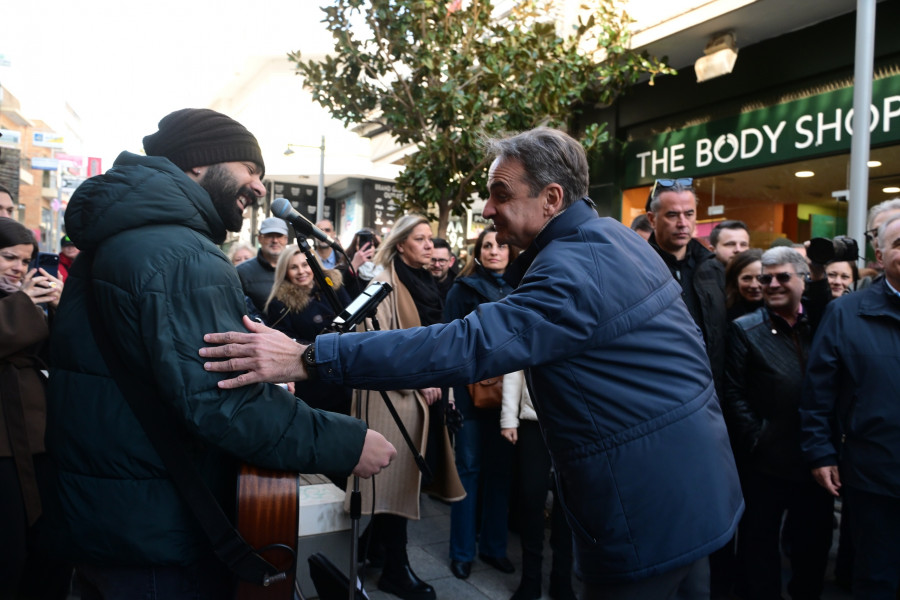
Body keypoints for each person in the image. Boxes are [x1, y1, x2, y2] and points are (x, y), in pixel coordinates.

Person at [201, 127, 744, 599]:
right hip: (696, 491)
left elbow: (464, 345)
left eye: (499, 194)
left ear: (552, 197)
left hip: (646, 505)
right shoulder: (613, 242)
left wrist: (308, 357)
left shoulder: (575, 267)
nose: (486, 210)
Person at [44, 108, 395, 599]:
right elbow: (220, 400)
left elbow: (167, 372)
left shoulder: (129, 238)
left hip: (117, 511)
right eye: (250, 170)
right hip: (154, 527)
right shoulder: (181, 254)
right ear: (198, 164)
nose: (258, 187)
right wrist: (346, 442)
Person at [352, 213, 464, 600]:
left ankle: (373, 549)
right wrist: (422, 378)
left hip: (423, 396)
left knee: (408, 478)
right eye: (420, 239)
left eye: (431, 239)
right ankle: (396, 570)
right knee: (397, 480)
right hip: (396, 398)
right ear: (401, 245)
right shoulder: (383, 281)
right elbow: (377, 345)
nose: (429, 245)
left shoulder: (427, 281)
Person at [723, 247, 834, 600]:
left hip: (815, 458)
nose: (771, 284)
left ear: (803, 279)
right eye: (765, 277)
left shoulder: (823, 323)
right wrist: (759, 437)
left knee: (812, 550)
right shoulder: (744, 328)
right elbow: (733, 392)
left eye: (782, 277)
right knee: (758, 551)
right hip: (765, 463)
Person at [801, 213, 900, 599]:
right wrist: (820, 453)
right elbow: (818, 390)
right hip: (874, 476)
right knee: (876, 579)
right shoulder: (846, 312)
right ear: (880, 253)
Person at [0, 219, 69, 599]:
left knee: (46, 553)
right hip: (6, 448)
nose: (18, 268)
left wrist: (61, 307)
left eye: (25, 261)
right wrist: (24, 304)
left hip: (39, 439)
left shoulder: (27, 297)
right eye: (8, 257)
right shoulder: (22, 300)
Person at [443, 227, 517, 581]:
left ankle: (493, 548)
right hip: (469, 395)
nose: (494, 251)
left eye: (501, 245)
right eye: (487, 245)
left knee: (501, 475)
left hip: (510, 398)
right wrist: (452, 398)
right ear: (478, 252)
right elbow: (448, 344)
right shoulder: (463, 290)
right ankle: (462, 552)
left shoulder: (523, 286)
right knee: (468, 474)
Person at [646, 178, 728, 397]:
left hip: (713, 391)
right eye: (672, 215)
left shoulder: (714, 267)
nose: (683, 223)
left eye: (689, 214)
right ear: (652, 219)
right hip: (662, 392)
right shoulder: (636, 268)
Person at [501, 370, 575, 600]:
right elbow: (515, 371)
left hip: (575, 424)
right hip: (534, 420)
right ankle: (530, 579)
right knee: (530, 497)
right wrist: (508, 419)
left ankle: (561, 580)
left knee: (569, 502)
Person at [263, 247, 352, 414]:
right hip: (314, 382)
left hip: (345, 372)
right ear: (285, 271)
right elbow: (285, 344)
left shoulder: (332, 285)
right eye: (294, 267)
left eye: (305, 265)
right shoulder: (280, 304)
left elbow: (350, 314)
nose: (301, 271)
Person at [236, 216, 289, 314]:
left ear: (286, 239)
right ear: (260, 238)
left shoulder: (297, 269)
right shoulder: (241, 272)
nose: (275, 240)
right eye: (269, 235)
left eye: (279, 235)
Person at [724, 248, 763, 321]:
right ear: (735, 280)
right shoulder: (722, 313)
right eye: (747, 278)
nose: (754, 285)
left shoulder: (782, 311)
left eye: (760, 278)